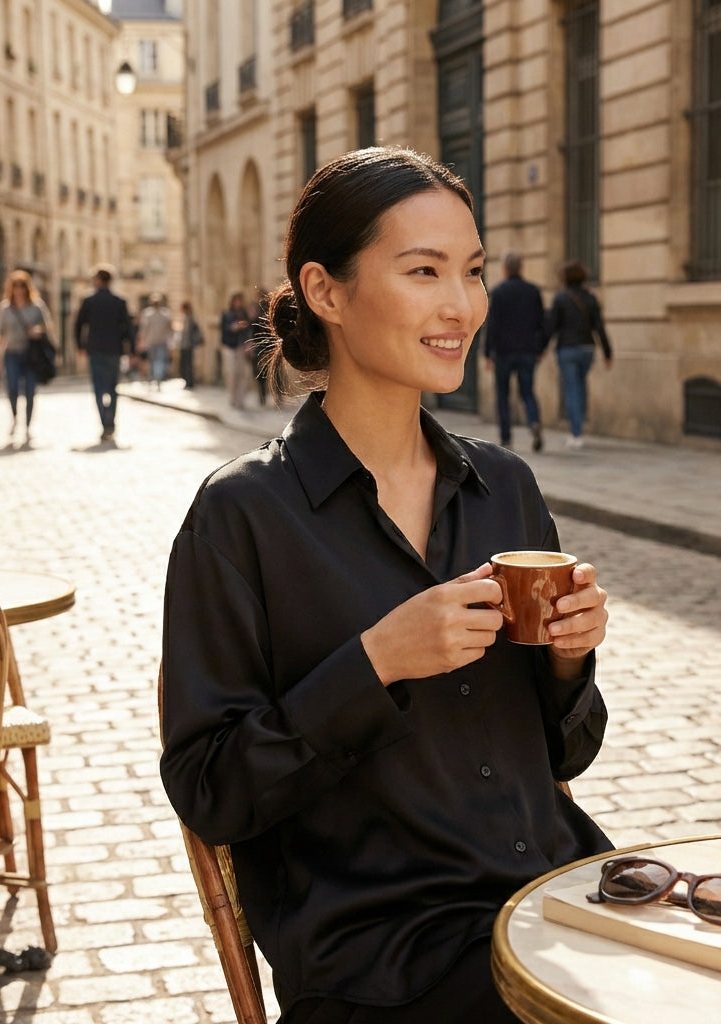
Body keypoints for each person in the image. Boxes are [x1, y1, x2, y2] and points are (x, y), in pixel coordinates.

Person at [159, 146, 613, 1024]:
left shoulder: (505, 487)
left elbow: (569, 755)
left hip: (557, 902)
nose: (462, 306)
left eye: (472, 271)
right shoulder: (242, 516)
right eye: (424, 271)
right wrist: (375, 663)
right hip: (384, 956)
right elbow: (209, 787)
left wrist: (568, 661)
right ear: (326, 292)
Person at [546, 260, 613, 449]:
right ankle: (579, 427)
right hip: (587, 349)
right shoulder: (591, 298)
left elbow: (551, 327)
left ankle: (576, 434)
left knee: (572, 389)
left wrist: (541, 348)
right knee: (580, 387)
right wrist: (608, 352)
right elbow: (599, 327)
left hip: (567, 349)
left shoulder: (561, 299)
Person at [483, 251, 546, 451]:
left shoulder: (499, 292)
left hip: (503, 351)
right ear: (521, 267)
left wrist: (487, 352)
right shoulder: (533, 291)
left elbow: (492, 325)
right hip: (527, 350)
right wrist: (540, 348)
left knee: (503, 394)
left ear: (505, 268)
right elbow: (542, 323)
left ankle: (506, 437)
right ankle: (534, 421)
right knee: (527, 392)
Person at [0, 269, 55, 444]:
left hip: (31, 355)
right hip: (11, 353)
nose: (19, 289)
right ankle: (14, 418)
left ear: (27, 287)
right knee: (12, 389)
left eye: (22, 286)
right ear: (11, 288)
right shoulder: (5, 309)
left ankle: (28, 427)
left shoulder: (37, 307)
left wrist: (38, 331)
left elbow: (47, 327)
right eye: (15, 286)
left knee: (30, 391)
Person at [74, 265, 134, 442]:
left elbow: (78, 325)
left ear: (98, 280)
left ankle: (105, 424)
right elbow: (127, 329)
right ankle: (110, 423)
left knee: (99, 388)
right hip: (114, 350)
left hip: (95, 350)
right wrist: (130, 349)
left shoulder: (89, 301)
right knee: (113, 388)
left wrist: (80, 346)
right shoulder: (119, 301)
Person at [219, 291, 253, 409]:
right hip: (230, 347)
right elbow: (224, 330)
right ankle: (232, 397)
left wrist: (249, 344)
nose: (239, 303)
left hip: (241, 348)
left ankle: (241, 400)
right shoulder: (227, 314)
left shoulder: (244, 314)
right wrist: (234, 327)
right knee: (232, 374)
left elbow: (249, 330)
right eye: (237, 300)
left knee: (242, 375)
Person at [136, 293, 173, 389]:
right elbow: (169, 329)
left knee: (153, 361)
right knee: (159, 361)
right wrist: (170, 342)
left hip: (152, 341)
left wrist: (141, 341)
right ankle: (157, 379)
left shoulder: (147, 313)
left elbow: (144, 329)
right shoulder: (166, 313)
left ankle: (154, 379)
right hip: (161, 341)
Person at [175, 300, 202, 389]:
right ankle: (188, 382)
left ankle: (189, 382)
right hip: (186, 345)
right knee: (187, 364)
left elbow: (186, 333)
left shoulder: (189, 318)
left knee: (187, 365)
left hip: (187, 345)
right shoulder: (188, 317)